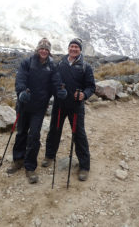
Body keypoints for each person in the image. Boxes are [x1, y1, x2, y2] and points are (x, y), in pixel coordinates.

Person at [7, 38, 67, 184]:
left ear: (49, 51)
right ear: (38, 49)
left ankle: (30, 167)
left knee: (34, 135)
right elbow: (20, 80)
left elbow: (56, 82)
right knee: (21, 133)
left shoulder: (52, 66)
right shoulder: (27, 63)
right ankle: (18, 160)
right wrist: (21, 92)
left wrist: (60, 91)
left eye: (46, 49)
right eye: (42, 48)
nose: (44, 51)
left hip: (39, 108)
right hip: (24, 105)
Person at [42, 38, 96, 181]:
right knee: (54, 130)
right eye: (71, 46)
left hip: (76, 107)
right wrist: (56, 92)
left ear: (80, 50)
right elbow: (53, 82)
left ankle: (84, 166)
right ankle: (49, 156)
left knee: (79, 134)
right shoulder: (60, 64)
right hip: (60, 105)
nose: (73, 49)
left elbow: (91, 86)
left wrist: (84, 94)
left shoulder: (86, 67)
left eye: (76, 47)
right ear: (68, 48)